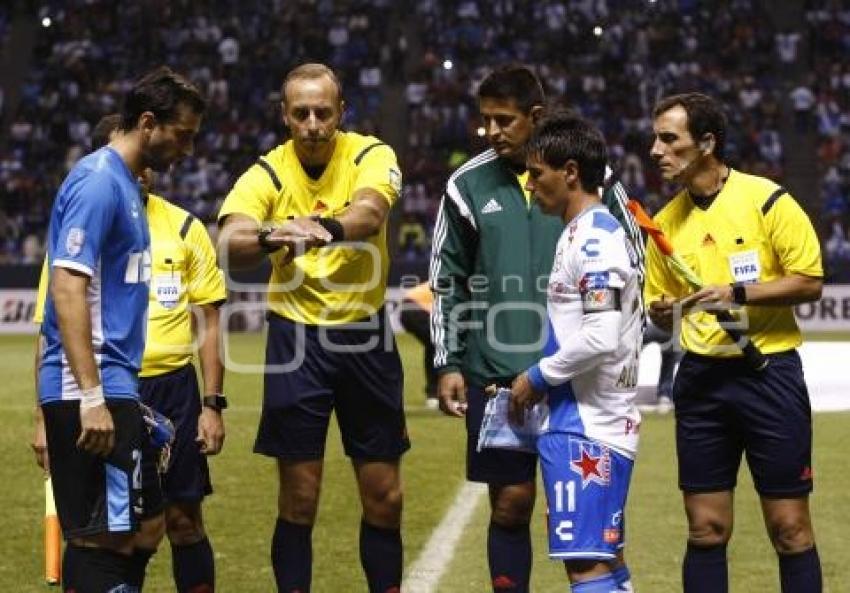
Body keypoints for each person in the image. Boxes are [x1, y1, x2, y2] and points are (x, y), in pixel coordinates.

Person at [430, 64, 643, 593]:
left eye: (505, 119)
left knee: (589, 533)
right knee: (511, 501)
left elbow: (632, 265)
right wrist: (449, 361)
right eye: (485, 121)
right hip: (498, 371)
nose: (494, 131)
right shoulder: (467, 184)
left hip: (573, 384)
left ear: (537, 116)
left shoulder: (594, 185)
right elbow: (445, 278)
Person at [217, 63, 407, 593]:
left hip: (366, 334)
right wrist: (279, 231)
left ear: (341, 113)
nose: (313, 123)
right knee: (300, 498)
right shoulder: (269, 171)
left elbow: (370, 212)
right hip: (295, 340)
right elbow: (230, 240)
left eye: (323, 111)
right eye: (300, 113)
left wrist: (322, 228)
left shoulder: (371, 153)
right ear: (285, 116)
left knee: (384, 495)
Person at [34, 112, 228, 592]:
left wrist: (211, 404)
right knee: (109, 531)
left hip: (173, 390)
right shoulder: (85, 220)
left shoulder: (184, 227)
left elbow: (208, 321)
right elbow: (51, 325)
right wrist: (43, 419)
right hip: (105, 387)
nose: (141, 172)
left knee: (180, 519)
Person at [646, 92, 824, 593]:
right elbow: (661, 314)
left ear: (706, 143)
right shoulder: (662, 226)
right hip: (701, 381)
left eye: (668, 139)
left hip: (769, 374)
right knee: (706, 529)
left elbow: (809, 281)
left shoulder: (767, 200)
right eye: (655, 139)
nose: (656, 150)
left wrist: (736, 292)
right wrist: (664, 311)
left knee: (790, 529)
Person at [507, 112, 642, 592]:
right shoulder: (586, 231)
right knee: (607, 561)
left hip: (585, 427)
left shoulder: (593, 239)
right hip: (599, 421)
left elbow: (601, 335)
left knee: (586, 567)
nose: (529, 185)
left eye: (536, 173)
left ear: (569, 172)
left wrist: (537, 377)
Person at [398, 281, 438, 408]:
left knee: (434, 345)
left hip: (410, 306)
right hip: (416, 307)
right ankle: (434, 393)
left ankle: (435, 393)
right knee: (437, 345)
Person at [640, 320, 682, 414]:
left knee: (629, 356)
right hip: (666, 327)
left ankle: (622, 392)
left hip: (645, 326)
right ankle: (665, 395)